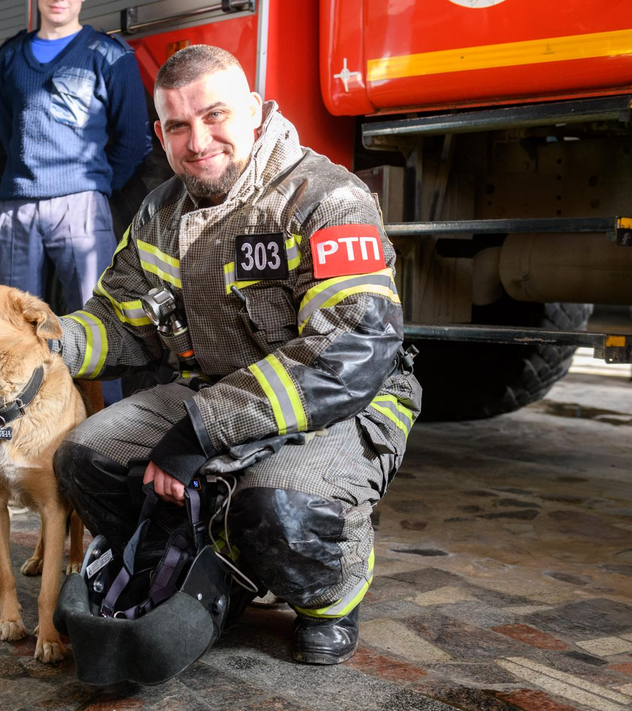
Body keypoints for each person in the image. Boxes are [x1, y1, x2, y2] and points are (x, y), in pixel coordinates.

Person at [53, 44, 421, 665]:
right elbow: (122, 320)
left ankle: (333, 593)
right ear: (160, 134)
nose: (198, 142)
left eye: (215, 116)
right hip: (210, 389)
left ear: (254, 110)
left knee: (278, 510)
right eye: (178, 126)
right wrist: (42, 343)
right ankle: (207, 558)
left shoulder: (326, 198)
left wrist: (200, 430)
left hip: (341, 404)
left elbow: (350, 351)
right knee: (84, 459)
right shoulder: (159, 213)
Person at [0, 0, 152, 404]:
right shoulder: (9, 57)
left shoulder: (110, 56)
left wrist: (93, 186)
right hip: (17, 207)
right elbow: (9, 131)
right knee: (8, 327)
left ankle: (105, 430)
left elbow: (136, 139)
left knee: (98, 322)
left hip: (81, 205)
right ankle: (15, 425)